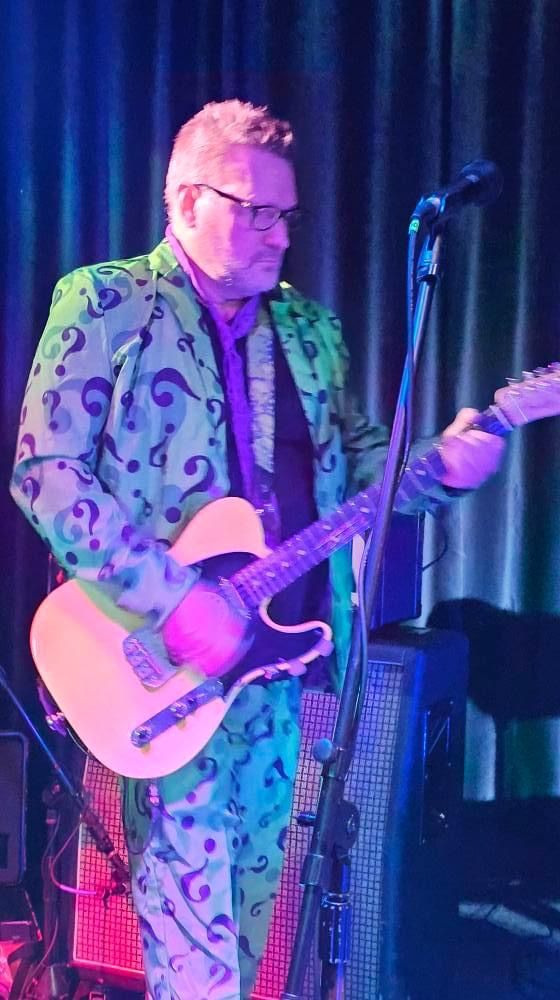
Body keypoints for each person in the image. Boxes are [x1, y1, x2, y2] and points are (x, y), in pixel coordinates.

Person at [10, 99, 505, 999]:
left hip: (273, 681)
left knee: (244, 949)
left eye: (288, 215)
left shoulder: (310, 333)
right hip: (158, 668)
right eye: (256, 211)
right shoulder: (109, 302)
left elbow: (369, 473)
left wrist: (450, 462)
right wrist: (174, 598)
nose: (279, 235)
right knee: (199, 970)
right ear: (185, 201)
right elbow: (46, 475)